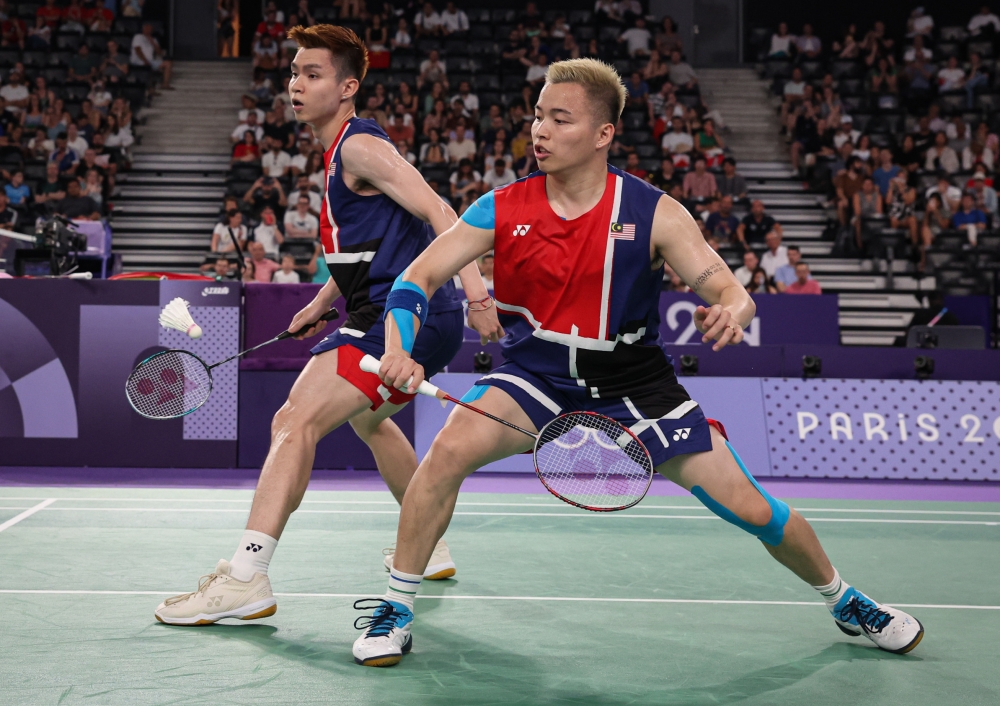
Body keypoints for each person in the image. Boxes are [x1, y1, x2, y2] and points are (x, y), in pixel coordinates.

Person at [351, 58, 923, 667]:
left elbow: (732, 291)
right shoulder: (501, 208)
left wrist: (734, 310)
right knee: (444, 455)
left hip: (636, 385)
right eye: (538, 116)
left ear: (603, 134)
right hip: (536, 373)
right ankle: (397, 607)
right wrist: (395, 347)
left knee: (755, 510)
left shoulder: (655, 212)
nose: (539, 131)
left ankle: (845, 599)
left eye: (559, 119)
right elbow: (418, 277)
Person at [154, 24, 501, 627]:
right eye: (294, 73)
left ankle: (245, 577)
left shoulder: (360, 149)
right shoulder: (341, 151)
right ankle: (429, 541)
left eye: (312, 75)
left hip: (409, 311)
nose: (295, 84)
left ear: (347, 88)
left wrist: (477, 294)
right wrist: (321, 302)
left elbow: (444, 212)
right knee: (371, 420)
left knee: (293, 421)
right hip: (401, 310)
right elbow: (373, 248)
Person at [131, 23, 174, 90]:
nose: (149, 30)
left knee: (168, 63)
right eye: (147, 29)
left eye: (151, 29)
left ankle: (165, 84)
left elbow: (159, 52)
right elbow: (138, 50)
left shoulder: (154, 39)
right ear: (143, 29)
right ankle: (150, 88)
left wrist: (153, 42)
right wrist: (144, 60)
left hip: (150, 60)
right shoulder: (138, 37)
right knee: (150, 67)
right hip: (138, 60)